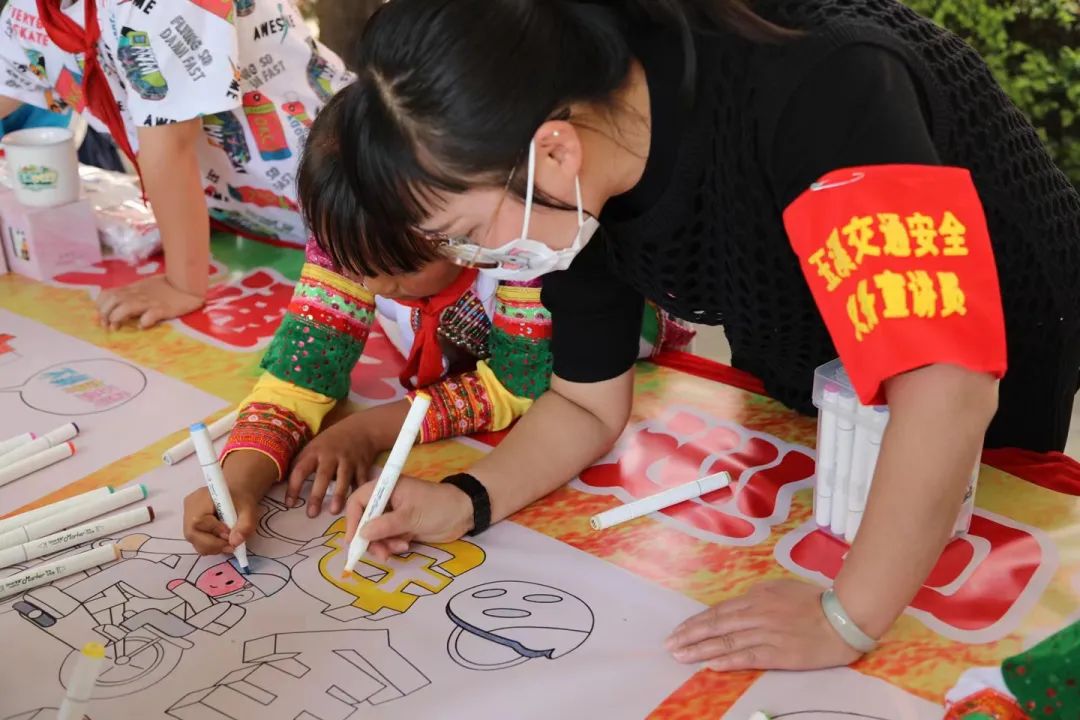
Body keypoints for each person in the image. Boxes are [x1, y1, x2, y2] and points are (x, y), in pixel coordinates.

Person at [303, 0, 1080, 672]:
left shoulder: (820, 86)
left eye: (467, 232)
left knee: (969, 542)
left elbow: (946, 387)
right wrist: (465, 501)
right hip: (809, 328)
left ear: (553, 149)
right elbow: (584, 403)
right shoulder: (577, 179)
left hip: (994, 320)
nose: (475, 261)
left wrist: (847, 618)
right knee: (831, 474)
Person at [182, 92, 693, 555]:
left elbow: (520, 385)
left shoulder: (522, 248)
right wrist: (239, 480)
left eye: (399, 269)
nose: (373, 287)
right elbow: (301, 373)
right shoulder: (352, 238)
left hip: (610, 364)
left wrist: (370, 428)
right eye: (356, 270)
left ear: (449, 222)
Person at [0, 0, 350, 328]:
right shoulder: (33, 8)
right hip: (253, 217)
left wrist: (182, 285)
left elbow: (169, 147)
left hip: (346, 198)